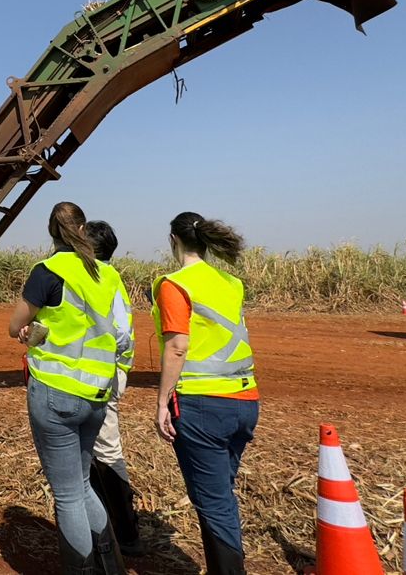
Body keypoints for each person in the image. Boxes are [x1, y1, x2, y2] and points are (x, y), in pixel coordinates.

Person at [9, 201, 130, 574]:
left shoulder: (46, 271)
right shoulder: (107, 275)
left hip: (56, 394)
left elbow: (16, 326)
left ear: (52, 232)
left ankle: (82, 569)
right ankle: (112, 565)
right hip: (96, 394)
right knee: (80, 484)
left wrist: (30, 330)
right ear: (82, 229)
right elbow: (119, 333)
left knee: (67, 495)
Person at [153, 213, 258, 575]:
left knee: (213, 502)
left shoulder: (174, 284)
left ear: (173, 240)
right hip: (245, 402)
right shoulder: (231, 282)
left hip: (202, 407)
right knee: (219, 495)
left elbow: (178, 346)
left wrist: (162, 401)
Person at [85, 220, 141, 555]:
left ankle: (126, 533)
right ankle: (103, 523)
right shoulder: (106, 277)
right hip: (101, 373)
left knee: (106, 451)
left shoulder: (104, 277)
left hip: (103, 376)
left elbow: (119, 332)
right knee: (94, 451)